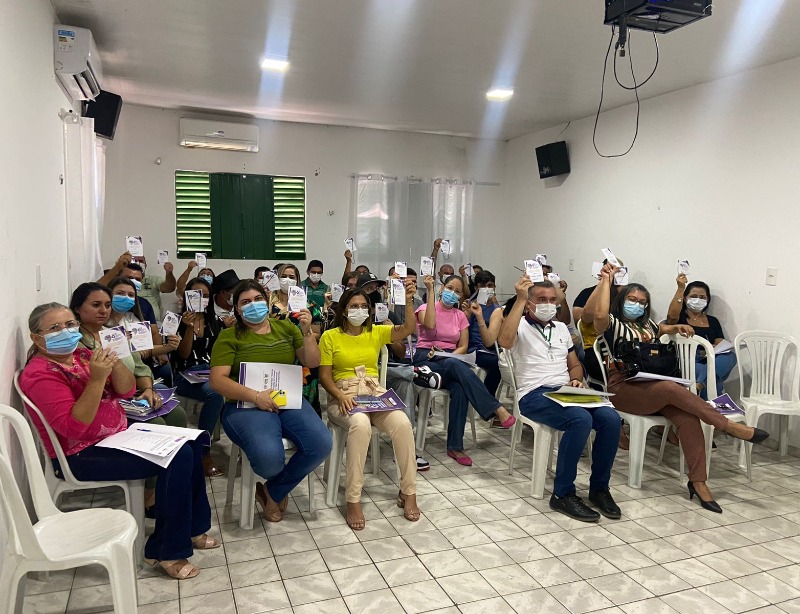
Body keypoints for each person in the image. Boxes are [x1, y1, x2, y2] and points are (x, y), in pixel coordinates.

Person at [20, 303, 216, 580]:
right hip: (80, 454)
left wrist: (116, 358)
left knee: (193, 443)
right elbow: (74, 427)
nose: (66, 332)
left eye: (70, 325)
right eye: (55, 328)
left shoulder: (82, 353)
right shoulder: (40, 374)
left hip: (117, 434)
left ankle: (194, 526)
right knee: (179, 456)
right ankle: (165, 549)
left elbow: (126, 390)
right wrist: (98, 379)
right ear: (36, 338)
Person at [583, 264, 769, 513]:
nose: (636, 304)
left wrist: (677, 328)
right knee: (670, 388)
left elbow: (664, 328)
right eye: (631, 299)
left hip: (652, 386)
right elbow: (598, 315)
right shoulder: (613, 324)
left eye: (641, 301)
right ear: (621, 300)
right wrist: (606, 281)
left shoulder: (647, 325)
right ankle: (728, 425)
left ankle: (699, 482)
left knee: (688, 417)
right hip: (624, 388)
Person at [499, 277, 621, 522]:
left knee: (611, 418)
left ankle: (599, 488)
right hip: (533, 394)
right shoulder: (519, 325)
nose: (548, 304)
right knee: (580, 420)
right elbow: (504, 341)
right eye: (541, 300)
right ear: (530, 303)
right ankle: (563, 493)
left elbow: (574, 364)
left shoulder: (562, 328)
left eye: (552, 300)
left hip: (566, 390)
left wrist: (576, 379)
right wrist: (520, 299)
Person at [209, 280, 332, 522]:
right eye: (245, 302)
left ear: (266, 301)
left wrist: (307, 331)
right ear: (237, 308)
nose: (253, 305)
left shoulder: (286, 328)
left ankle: (270, 491)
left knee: (321, 444)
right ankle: (274, 484)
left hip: (287, 399)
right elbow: (217, 381)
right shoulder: (228, 336)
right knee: (269, 460)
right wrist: (255, 396)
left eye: (257, 299)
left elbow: (313, 361)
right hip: (245, 405)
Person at [319, 281, 420, 530]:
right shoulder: (330, 337)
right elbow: (324, 376)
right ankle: (353, 498)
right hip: (343, 395)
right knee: (360, 425)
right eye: (354, 306)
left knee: (403, 423)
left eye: (364, 306)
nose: (360, 310)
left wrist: (408, 301)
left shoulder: (375, 332)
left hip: (374, 393)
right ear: (344, 310)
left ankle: (409, 492)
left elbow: (407, 328)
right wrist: (340, 396)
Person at [413, 274, 516, 466]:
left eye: (458, 291)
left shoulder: (460, 316)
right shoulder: (425, 308)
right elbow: (430, 324)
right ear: (442, 288)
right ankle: (495, 408)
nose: (453, 293)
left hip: (449, 361)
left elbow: (463, 346)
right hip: (425, 358)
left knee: (460, 387)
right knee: (454, 365)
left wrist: (447, 353)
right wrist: (430, 291)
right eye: (450, 288)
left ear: (462, 296)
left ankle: (455, 446)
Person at [174, 277, 226, 476]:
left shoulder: (216, 321)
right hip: (186, 374)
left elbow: (221, 352)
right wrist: (188, 328)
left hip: (211, 371)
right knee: (215, 394)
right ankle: (204, 451)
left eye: (205, 295)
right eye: (195, 295)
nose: (201, 299)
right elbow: (183, 355)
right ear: (187, 296)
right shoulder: (176, 321)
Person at [666, 276, 736, 399]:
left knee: (731, 356)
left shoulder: (713, 321)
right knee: (714, 381)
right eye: (693, 296)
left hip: (710, 357)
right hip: (687, 359)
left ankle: (699, 385)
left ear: (708, 300)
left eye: (702, 297)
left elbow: (720, 343)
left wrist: (712, 348)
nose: (698, 300)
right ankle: (714, 412)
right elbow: (671, 318)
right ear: (685, 298)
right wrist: (680, 289)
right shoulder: (680, 318)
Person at [107, 277, 179, 386]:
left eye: (131, 295)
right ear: (109, 294)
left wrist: (169, 347)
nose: (126, 298)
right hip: (111, 375)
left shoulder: (131, 318)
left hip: (135, 372)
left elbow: (144, 350)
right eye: (120, 293)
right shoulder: (100, 320)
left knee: (163, 388)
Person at [99, 251, 177, 322]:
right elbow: (97, 289)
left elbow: (169, 288)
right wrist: (118, 267)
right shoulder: (113, 288)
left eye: (141, 261)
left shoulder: (145, 301)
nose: (133, 282)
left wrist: (169, 273)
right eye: (129, 278)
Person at [464, 270, 503, 398]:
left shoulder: (497, 309)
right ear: (476, 288)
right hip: (474, 349)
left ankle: (486, 397)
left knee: (504, 361)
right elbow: (460, 332)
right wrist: (467, 315)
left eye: (490, 285)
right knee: (497, 363)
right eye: (483, 286)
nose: (487, 289)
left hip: (492, 348)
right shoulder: (470, 306)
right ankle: (487, 398)